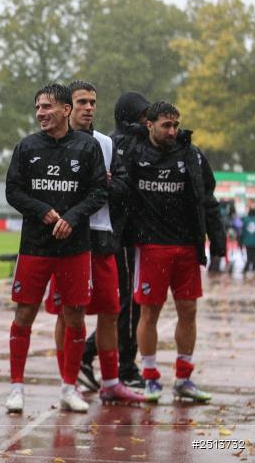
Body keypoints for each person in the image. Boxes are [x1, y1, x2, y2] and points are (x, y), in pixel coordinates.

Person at [4, 83, 107, 414]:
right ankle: (16, 388)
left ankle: (69, 387)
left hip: (74, 247)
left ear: (65, 110)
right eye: (38, 107)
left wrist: (73, 218)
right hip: (35, 246)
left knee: (74, 315)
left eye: (47, 107)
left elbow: (99, 192)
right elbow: (13, 191)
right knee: (24, 313)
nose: (41, 113)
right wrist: (41, 210)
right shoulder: (27, 147)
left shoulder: (88, 147)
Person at [43, 81, 144, 404]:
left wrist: (106, 185)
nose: (89, 108)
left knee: (110, 312)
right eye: (82, 102)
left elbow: (123, 187)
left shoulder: (106, 143)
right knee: (66, 314)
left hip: (101, 236)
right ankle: (68, 382)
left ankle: (111, 382)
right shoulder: (50, 142)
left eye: (92, 102)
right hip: (65, 238)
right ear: (67, 108)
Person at [128, 101, 226, 403]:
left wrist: (217, 238)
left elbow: (207, 199)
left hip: (186, 247)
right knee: (149, 313)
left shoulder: (191, 155)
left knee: (189, 310)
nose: (172, 131)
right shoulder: (133, 153)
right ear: (149, 125)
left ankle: (183, 378)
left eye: (175, 125)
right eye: (166, 125)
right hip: (151, 247)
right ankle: (150, 377)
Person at [79, 91, 151, 390]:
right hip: (122, 234)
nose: (148, 121)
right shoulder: (122, 144)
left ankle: (91, 356)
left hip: (123, 232)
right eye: (144, 115)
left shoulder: (117, 141)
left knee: (118, 305)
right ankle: (122, 366)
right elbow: (120, 189)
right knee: (125, 305)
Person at [242, 200, 255, 276]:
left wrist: (241, 241)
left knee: (249, 255)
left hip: (247, 241)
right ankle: (254, 268)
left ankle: (247, 268)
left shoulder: (245, 219)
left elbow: (243, 231)